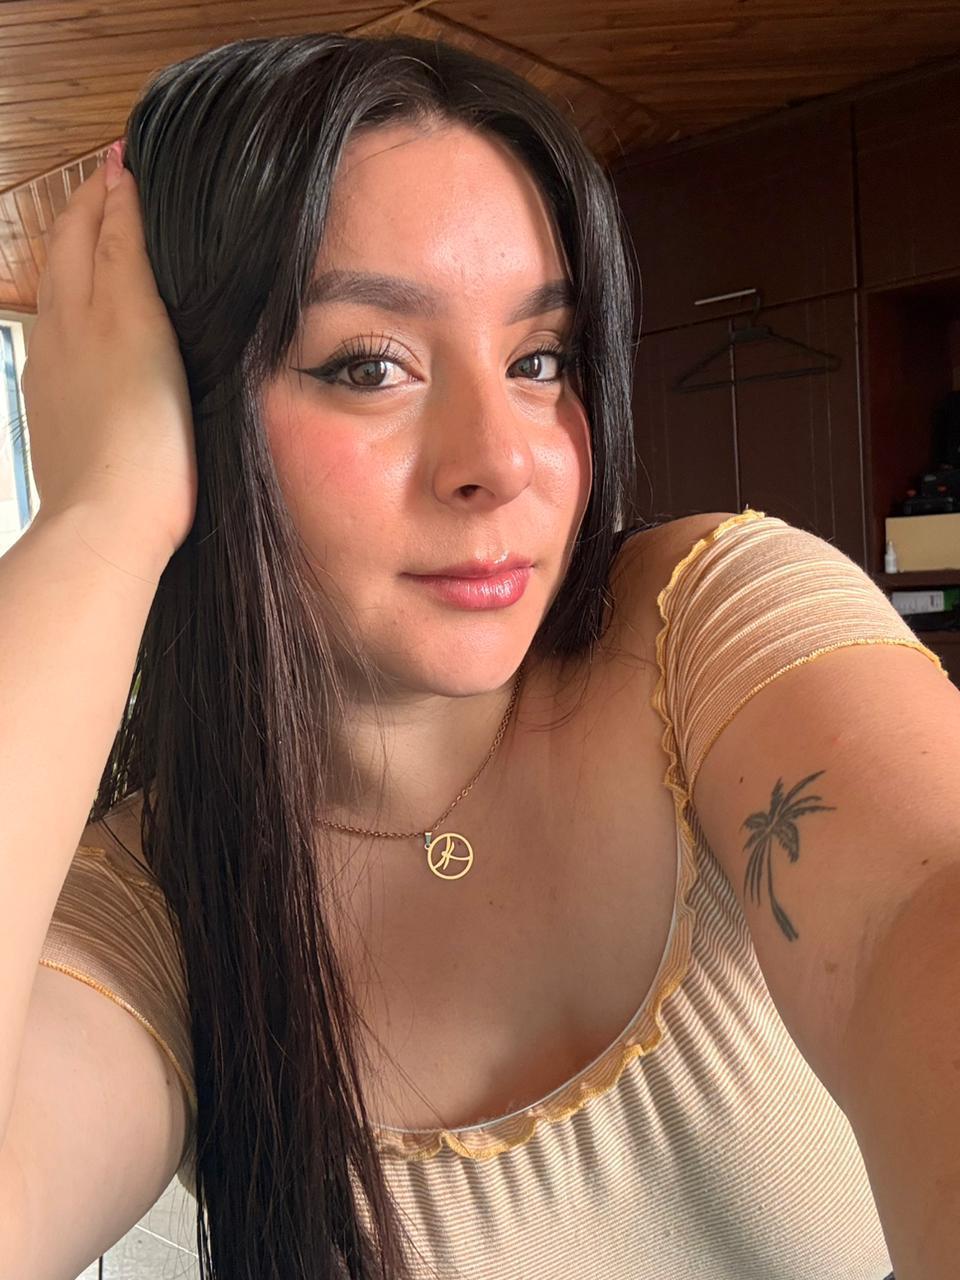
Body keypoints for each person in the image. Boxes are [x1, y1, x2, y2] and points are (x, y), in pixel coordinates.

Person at [1, 30, 954, 1280]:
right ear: (181, 409)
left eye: (539, 359)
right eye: (370, 365)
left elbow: (920, 906)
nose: (502, 461)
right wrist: (99, 520)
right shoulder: (156, 915)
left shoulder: (710, 628)